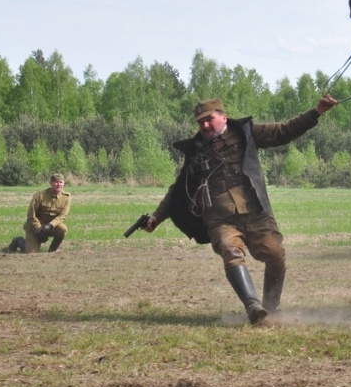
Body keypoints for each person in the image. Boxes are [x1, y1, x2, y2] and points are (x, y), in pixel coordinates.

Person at [142, 95, 338, 325]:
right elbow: (177, 190)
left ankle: (272, 308)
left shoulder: (247, 133)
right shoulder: (195, 151)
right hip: (220, 219)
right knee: (230, 250)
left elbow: (284, 131)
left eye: (209, 119)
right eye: (200, 122)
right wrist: (157, 216)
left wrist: (316, 112)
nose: (204, 125)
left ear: (223, 117)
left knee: (276, 254)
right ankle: (253, 307)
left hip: (256, 212)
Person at [22, 173, 71, 253]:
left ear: (64, 183)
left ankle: (51, 251)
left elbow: (62, 216)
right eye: (56, 182)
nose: (58, 184)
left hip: (50, 226)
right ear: (51, 183)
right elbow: (31, 215)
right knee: (31, 252)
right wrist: (39, 230)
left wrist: (49, 226)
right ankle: (19, 241)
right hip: (34, 226)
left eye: (61, 182)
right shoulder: (40, 195)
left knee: (63, 229)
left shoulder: (66, 197)